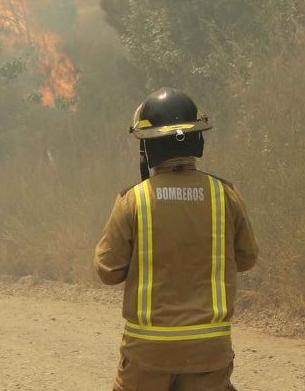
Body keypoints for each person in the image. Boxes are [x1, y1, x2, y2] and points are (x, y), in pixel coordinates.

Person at [94, 88, 258, 391]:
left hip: (147, 354)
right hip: (209, 352)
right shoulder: (225, 194)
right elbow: (247, 258)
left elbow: (107, 270)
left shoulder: (134, 199)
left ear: (148, 149)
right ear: (198, 141)